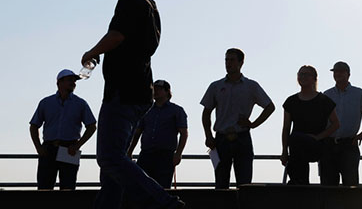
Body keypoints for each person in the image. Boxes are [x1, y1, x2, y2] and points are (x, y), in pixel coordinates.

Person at [82, 0, 183, 209]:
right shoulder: (151, 6)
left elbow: (116, 35)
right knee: (114, 166)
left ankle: (162, 202)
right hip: (139, 90)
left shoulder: (130, 3)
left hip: (122, 91)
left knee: (110, 158)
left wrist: (92, 52)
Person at [201, 48, 275, 189]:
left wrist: (253, 124)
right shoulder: (216, 86)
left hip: (242, 137)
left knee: (245, 184)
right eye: (226, 60)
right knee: (221, 183)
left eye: (232, 60)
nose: (228, 63)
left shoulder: (251, 86)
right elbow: (206, 112)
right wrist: (208, 136)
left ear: (241, 62)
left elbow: (270, 106)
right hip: (221, 139)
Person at [29, 69, 97, 190]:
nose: (73, 83)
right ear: (59, 82)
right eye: (70, 80)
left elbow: (92, 126)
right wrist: (39, 147)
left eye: (74, 80)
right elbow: (34, 126)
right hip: (49, 148)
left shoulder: (80, 104)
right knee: (44, 187)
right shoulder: (46, 103)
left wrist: (77, 145)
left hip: (70, 148)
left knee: (68, 187)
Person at [321, 61, 362, 186]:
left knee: (350, 186)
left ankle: (350, 206)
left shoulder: (358, 94)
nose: (338, 74)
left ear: (348, 74)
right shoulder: (327, 95)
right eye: (336, 71)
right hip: (328, 145)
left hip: (349, 144)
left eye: (341, 71)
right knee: (327, 186)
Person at [281, 65, 340, 185]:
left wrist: (318, 137)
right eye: (301, 74)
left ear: (314, 79)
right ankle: (300, 182)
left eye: (306, 74)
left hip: (318, 143)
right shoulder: (291, 101)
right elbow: (286, 128)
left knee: (297, 139)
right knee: (296, 140)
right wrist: (284, 151)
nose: (303, 77)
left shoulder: (324, 100)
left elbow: (336, 124)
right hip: (297, 144)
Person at [127, 80, 188, 189]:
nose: (155, 91)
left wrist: (178, 153)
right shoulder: (146, 110)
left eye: (159, 89)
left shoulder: (176, 111)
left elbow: (184, 133)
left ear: (167, 91)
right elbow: (137, 132)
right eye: (154, 89)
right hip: (146, 154)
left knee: (163, 187)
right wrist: (130, 150)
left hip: (165, 155)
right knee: (142, 186)